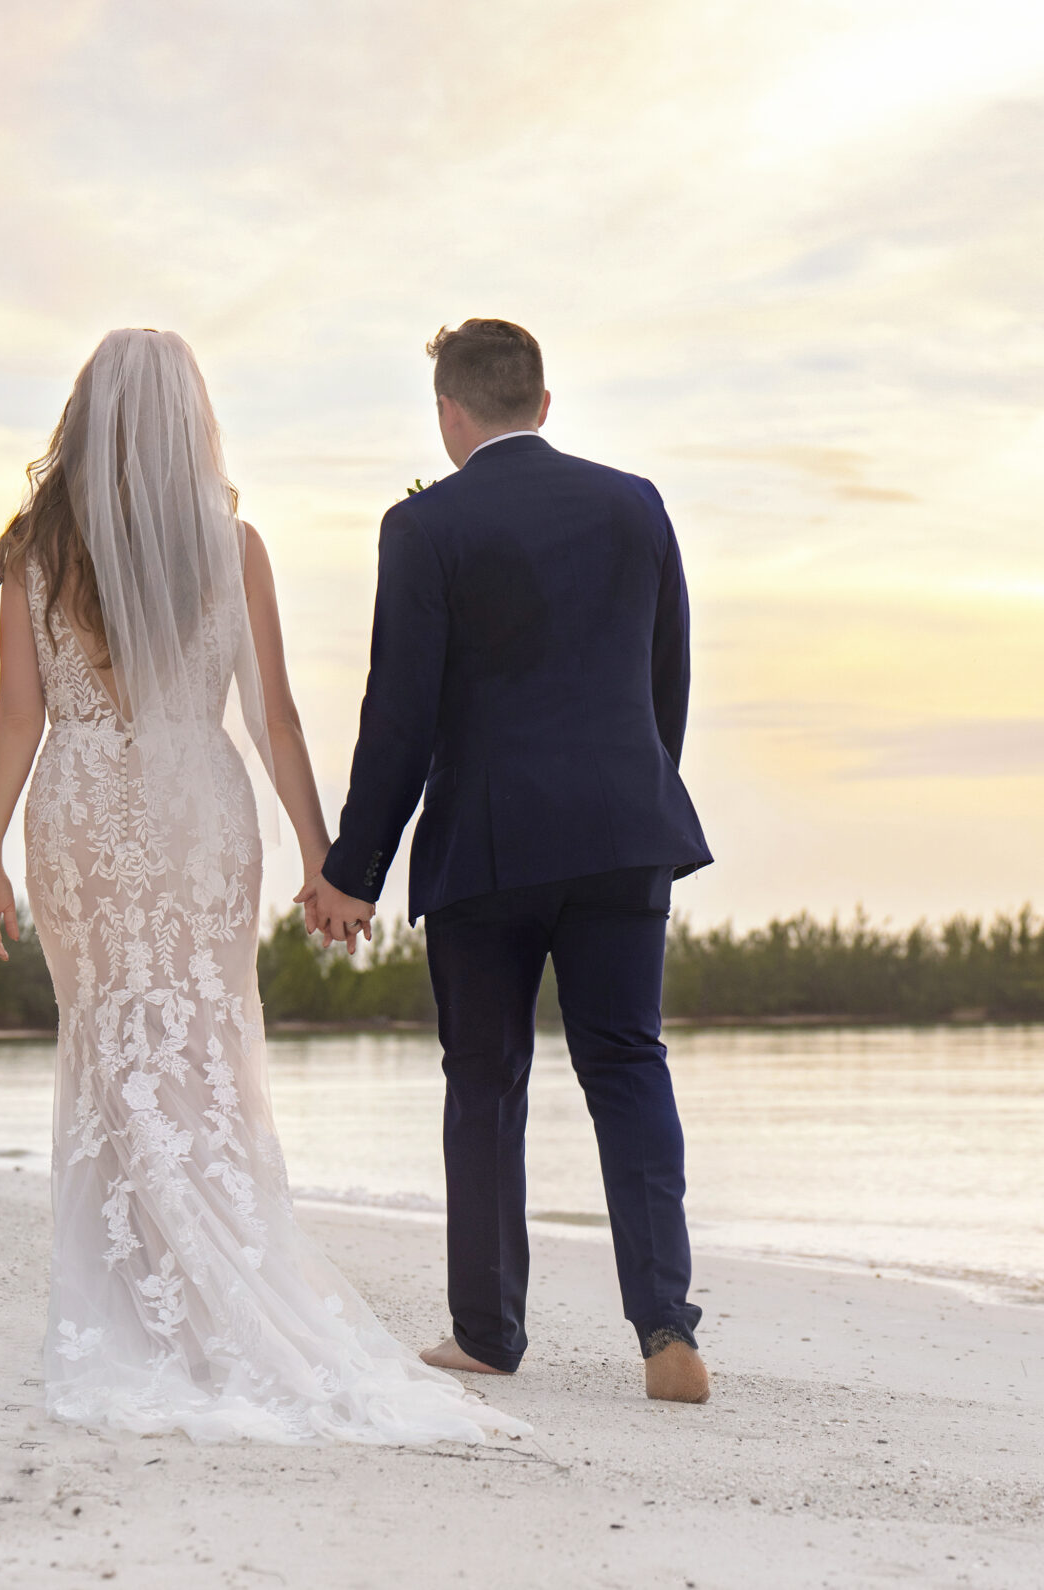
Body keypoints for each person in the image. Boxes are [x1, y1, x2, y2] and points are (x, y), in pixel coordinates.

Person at [0, 328, 525, 1445]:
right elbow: (273, 717)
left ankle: (141, 1305)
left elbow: (20, 714)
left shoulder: (37, 549)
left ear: (85, 419)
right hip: (200, 812)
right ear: (189, 423)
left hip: (81, 812)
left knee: (116, 1048)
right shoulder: (234, 545)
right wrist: (325, 860)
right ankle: (205, 1288)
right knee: (197, 1047)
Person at [298, 318, 717, 1403]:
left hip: (487, 844)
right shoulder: (636, 504)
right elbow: (663, 680)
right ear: (542, 400)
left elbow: (399, 715)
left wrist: (353, 869)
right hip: (626, 828)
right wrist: (630, 794)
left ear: (448, 413)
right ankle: (665, 1325)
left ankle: (487, 1331)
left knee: (484, 1081)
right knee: (627, 1062)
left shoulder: (425, 526)